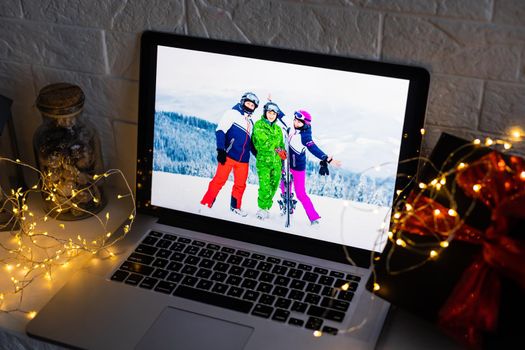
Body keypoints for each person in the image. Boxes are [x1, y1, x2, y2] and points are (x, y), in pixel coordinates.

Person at [200, 92, 259, 216]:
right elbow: (220, 130)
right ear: (243, 102)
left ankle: (235, 207)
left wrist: (257, 154)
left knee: (240, 185)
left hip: (243, 160)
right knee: (218, 181)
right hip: (228, 156)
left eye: (252, 105)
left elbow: (250, 143)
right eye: (248, 103)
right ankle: (206, 204)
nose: (250, 106)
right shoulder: (232, 113)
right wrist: (220, 150)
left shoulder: (250, 122)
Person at [282, 109, 341, 225]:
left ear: (305, 124)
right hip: (287, 164)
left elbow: (314, 148)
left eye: (299, 122)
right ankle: (288, 205)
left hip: (298, 168)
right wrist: (271, 102)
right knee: (283, 186)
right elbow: (281, 116)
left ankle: (313, 217)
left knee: (301, 194)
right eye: (295, 120)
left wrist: (327, 158)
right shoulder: (294, 129)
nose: (295, 123)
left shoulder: (305, 137)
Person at [252, 101, 287, 220]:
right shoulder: (259, 125)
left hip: (276, 163)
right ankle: (262, 208)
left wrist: (282, 153)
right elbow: (262, 143)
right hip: (264, 162)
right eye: (269, 113)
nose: (271, 116)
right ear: (265, 113)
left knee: (274, 185)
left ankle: (267, 207)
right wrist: (276, 148)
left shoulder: (278, 129)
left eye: (274, 114)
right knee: (265, 185)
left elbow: (281, 145)